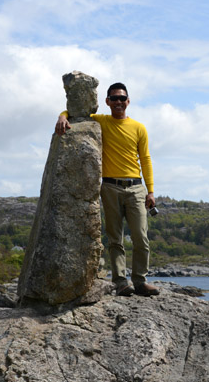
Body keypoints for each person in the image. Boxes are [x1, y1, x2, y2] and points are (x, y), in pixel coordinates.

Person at [55, 82, 159, 297]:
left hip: (136, 187)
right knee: (115, 239)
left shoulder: (139, 127)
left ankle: (140, 281)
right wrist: (62, 116)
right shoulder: (101, 121)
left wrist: (150, 190)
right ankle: (121, 282)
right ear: (107, 102)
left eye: (122, 98)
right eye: (114, 98)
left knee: (141, 238)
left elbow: (146, 159)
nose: (119, 102)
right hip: (110, 186)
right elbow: (76, 113)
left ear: (128, 101)